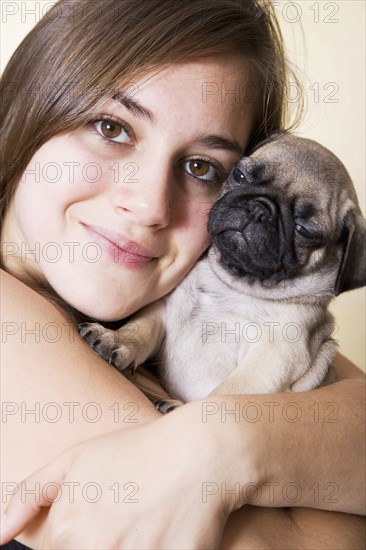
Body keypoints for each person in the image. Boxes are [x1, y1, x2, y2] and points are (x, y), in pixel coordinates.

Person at [0, 0, 365, 548]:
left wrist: (222, 440)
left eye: (202, 167)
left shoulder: (214, 293)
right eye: (111, 127)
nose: (150, 204)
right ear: (29, 107)